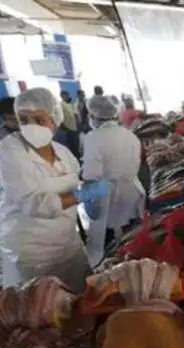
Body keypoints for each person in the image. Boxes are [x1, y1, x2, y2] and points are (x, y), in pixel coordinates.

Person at [0, 87, 109, 292]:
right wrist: (82, 195)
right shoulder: (9, 152)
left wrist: (89, 189)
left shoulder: (63, 152)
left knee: (81, 299)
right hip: (32, 251)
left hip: (68, 244)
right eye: (24, 120)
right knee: (41, 311)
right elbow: (33, 204)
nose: (31, 127)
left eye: (40, 121)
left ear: (55, 120)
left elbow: (74, 182)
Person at [82, 94, 144, 260]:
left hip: (108, 198)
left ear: (93, 116)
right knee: (131, 241)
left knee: (108, 249)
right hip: (133, 193)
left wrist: (84, 198)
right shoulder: (130, 135)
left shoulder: (93, 139)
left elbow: (91, 177)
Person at [58, 90, 80, 158]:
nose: (67, 96)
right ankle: (74, 158)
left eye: (67, 95)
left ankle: (78, 157)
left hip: (74, 127)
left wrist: (78, 123)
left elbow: (75, 114)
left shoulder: (71, 103)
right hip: (67, 128)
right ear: (62, 96)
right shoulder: (61, 105)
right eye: (65, 95)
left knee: (76, 144)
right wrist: (63, 126)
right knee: (71, 145)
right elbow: (60, 117)